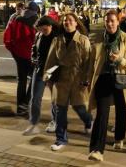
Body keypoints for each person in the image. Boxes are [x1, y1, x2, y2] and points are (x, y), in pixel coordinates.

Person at [87, 9, 126, 162]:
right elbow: (92, 61)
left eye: (112, 20)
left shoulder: (125, 38)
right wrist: (88, 78)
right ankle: (97, 149)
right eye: (107, 21)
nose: (109, 23)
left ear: (118, 22)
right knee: (102, 114)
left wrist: (120, 60)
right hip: (103, 79)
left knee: (121, 109)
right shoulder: (99, 38)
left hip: (120, 78)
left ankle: (119, 137)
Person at [43, 12, 93, 151]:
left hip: (78, 79)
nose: (67, 22)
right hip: (61, 80)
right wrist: (47, 78)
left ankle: (89, 121)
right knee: (60, 111)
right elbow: (51, 60)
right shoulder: (57, 40)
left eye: (70, 20)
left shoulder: (83, 40)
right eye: (65, 21)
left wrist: (87, 79)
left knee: (79, 107)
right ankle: (61, 139)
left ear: (76, 23)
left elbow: (89, 62)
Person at [22, 16, 59, 136]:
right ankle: (34, 124)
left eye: (44, 29)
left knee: (55, 99)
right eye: (40, 30)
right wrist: (33, 57)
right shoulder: (38, 35)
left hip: (52, 71)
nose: (42, 32)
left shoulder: (57, 38)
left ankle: (55, 121)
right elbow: (34, 48)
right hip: (39, 69)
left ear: (50, 26)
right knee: (35, 98)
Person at [4, 1, 38, 115]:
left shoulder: (16, 19)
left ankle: (20, 107)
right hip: (32, 56)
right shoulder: (37, 21)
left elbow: (7, 37)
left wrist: (14, 52)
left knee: (21, 80)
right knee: (35, 80)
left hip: (19, 54)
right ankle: (25, 103)